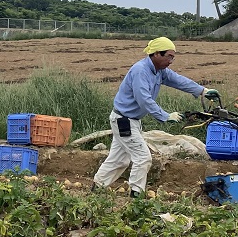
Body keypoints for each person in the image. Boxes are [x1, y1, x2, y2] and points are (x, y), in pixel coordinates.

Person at [92, 37, 218, 198]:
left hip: (131, 121)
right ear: (157, 54)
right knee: (143, 158)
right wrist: (165, 116)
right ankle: (136, 197)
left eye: (173, 57)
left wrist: (203, 91)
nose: (171, 61)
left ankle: (97, 188)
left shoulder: (159, 71)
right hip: (124, 121)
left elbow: (178, 80)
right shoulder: (140, 71)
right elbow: (143, 99)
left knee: (120, 160)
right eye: (169, 56)